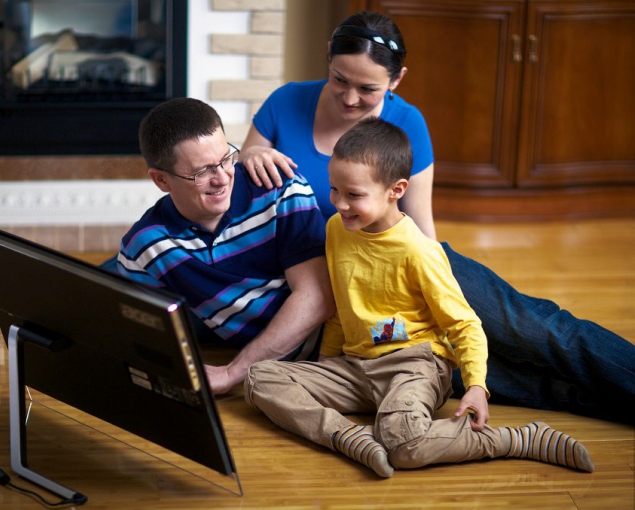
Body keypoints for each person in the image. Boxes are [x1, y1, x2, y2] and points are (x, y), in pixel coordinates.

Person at [238, 10, 635, 425]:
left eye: (368, 88)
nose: (350, 98)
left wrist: (429, 301)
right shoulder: (286, 102)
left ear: (397, 79)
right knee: (501, 380)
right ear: (327, 57)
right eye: (340, 79)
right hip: (341, 286)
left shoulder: (407, 121)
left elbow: (421, 229)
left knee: (537, 330)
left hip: (409, 263)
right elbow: (241, 189)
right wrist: (247, 154)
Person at [244, 117, 595, 478]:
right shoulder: (336, 229)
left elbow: (464, 324)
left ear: (396, 190)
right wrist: (324, 363)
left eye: (354, 195)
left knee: (403, 448)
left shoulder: (418, 251)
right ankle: (349, 436)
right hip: (356, 366)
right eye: (334, 190)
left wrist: (476, 385)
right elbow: (341, 306)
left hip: (413, 364)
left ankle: (517, 439)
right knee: (258, 378)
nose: (339, 203)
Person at [116, 97, 336, 394]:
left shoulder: (281, 187)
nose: (222, 179)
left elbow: (318, 297)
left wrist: (234, 372)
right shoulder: (143, 249)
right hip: (269, 367)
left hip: (339, 347)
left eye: (226, 159)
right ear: (161, 180)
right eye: (202, 172)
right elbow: (150, 342)